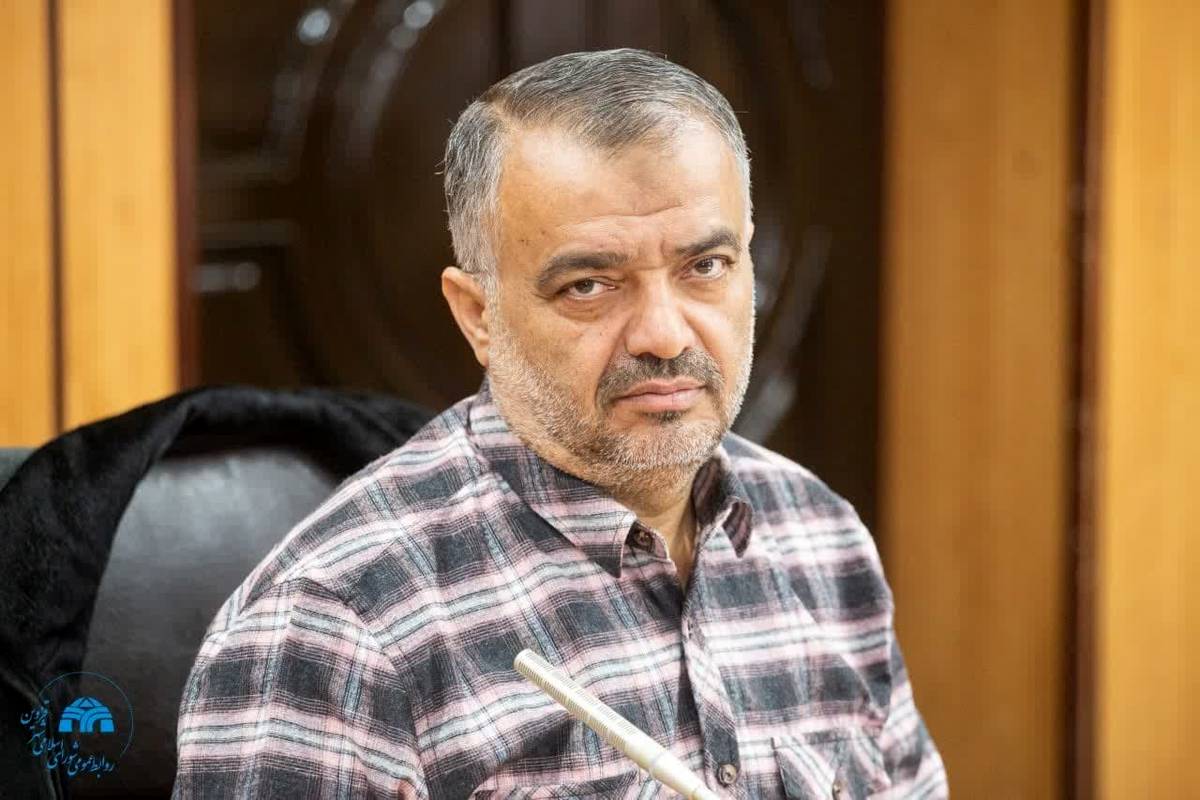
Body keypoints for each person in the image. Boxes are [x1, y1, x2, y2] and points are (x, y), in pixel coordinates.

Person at [173, 49, 947, 799]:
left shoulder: (821, 536)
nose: (664, 334)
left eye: (704, 267)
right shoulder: (336, 621)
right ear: (478, 314)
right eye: (589, 285)